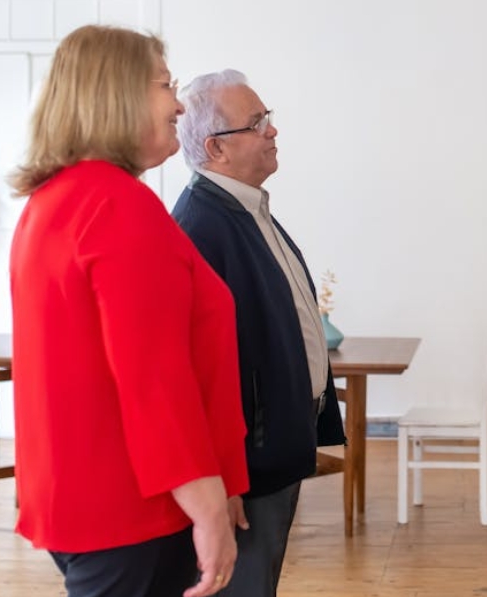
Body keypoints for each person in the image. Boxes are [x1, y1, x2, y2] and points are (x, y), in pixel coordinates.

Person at [9, 25, 249, 597]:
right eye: (165, 85)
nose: (179, 105)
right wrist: (207, 505)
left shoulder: (54, 200)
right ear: (117, 95)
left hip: (86, 502)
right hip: (136, 509)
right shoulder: (117, 205)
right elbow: (154, 379)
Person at [172, 70, 346, 597]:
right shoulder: (201, 226)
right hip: (246, 465)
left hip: (272, 451)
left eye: (267, 118)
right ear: (216, 148)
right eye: (256, 123)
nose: (272, 130)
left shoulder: (245, 207)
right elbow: (196, 370)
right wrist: (219, 478)